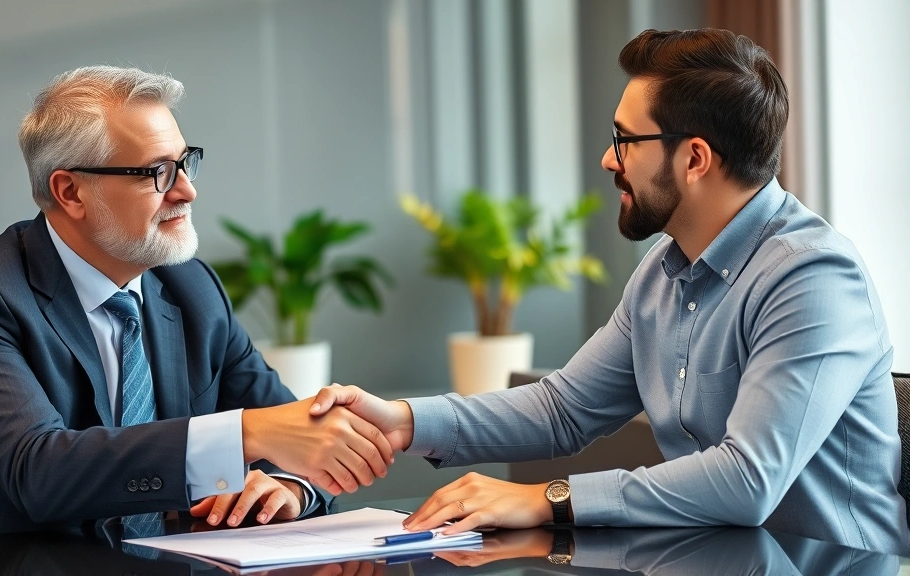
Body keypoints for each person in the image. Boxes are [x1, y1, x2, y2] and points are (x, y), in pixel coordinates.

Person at [310, 28, 910, 555]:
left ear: (694, 158)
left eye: (625, 141)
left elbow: (748, 479)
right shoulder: (662, 271)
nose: (607, 159)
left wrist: (547, 499)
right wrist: (405, 422)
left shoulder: (813, 278)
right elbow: (563, 410)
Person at [0, 66, 394, 541]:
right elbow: (40, 472)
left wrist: (288, 487)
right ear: (70, 191)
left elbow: (293, 438)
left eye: (185, 162)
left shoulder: (192, 288)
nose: (187, 190)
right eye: (157, 171)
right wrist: (244, 434)